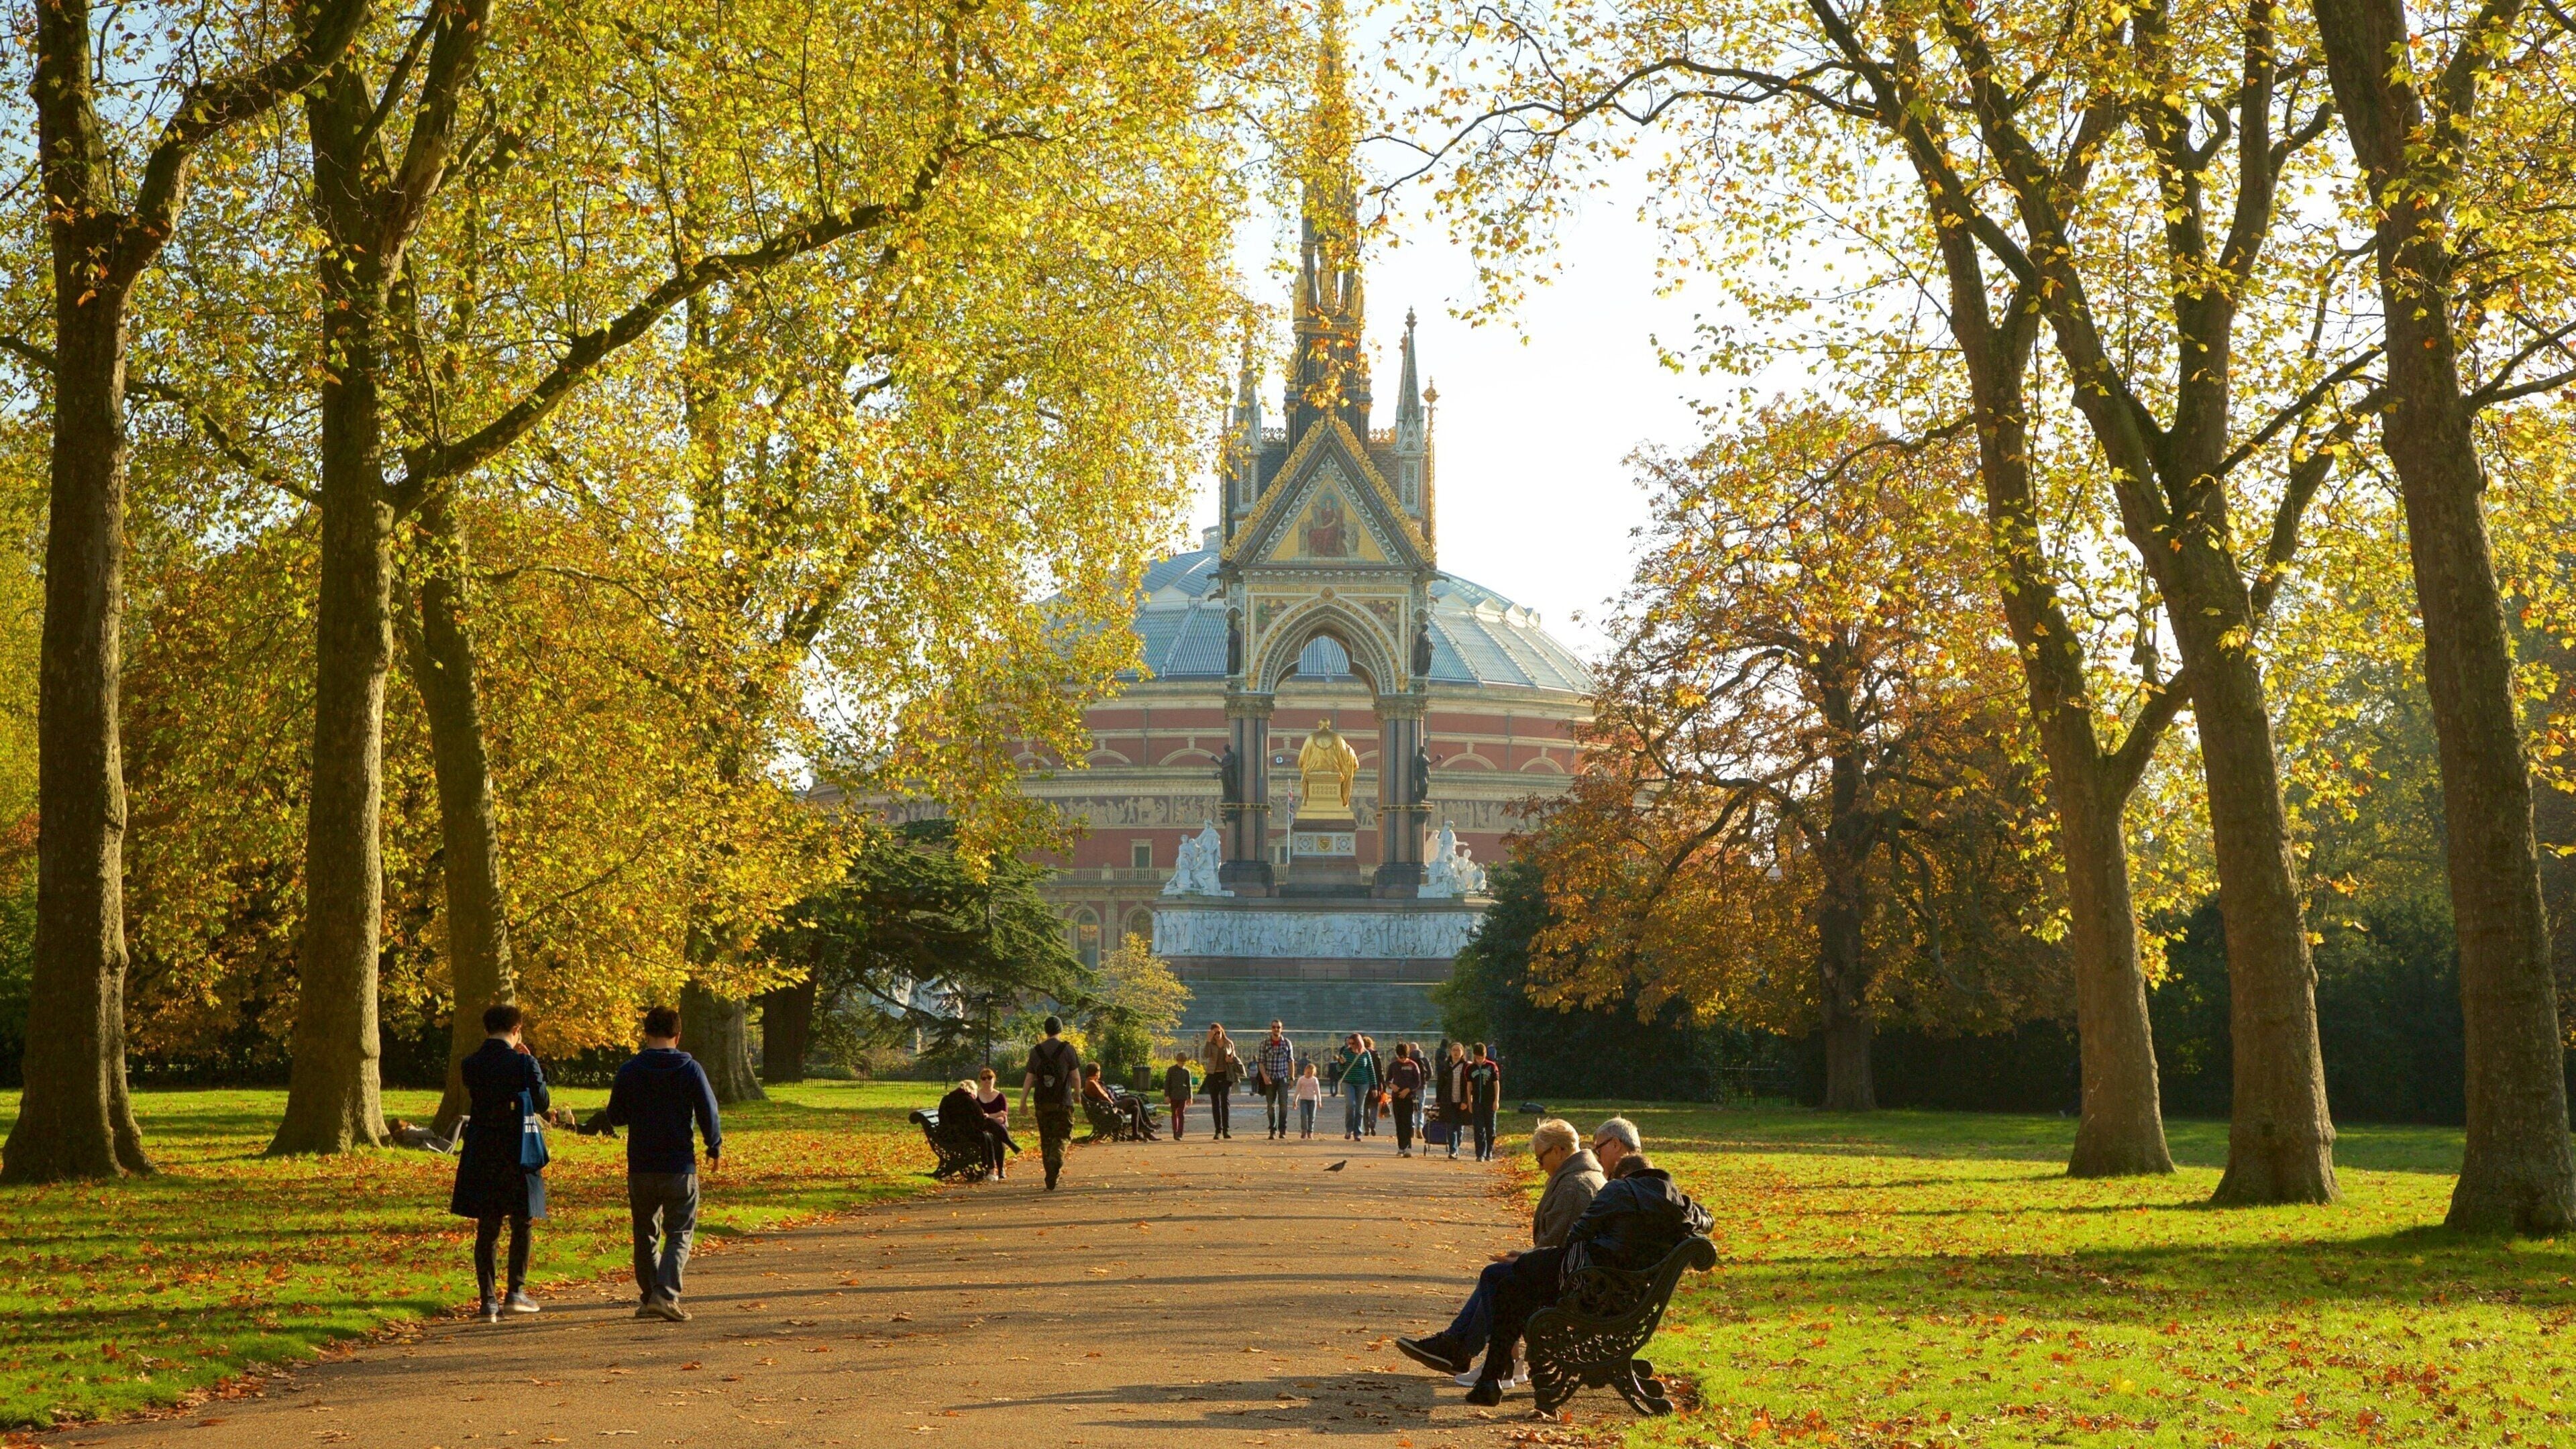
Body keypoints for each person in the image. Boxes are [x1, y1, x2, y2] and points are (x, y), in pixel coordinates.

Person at [1410, 1146, 1712, 1406]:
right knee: (1513, 1276)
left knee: (1508, 1282)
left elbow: (1577, 1235)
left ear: (1623, 1176)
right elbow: (1706, 1220)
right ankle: (1484, 1370)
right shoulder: (1683, 1206)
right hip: (1625, 1296)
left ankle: (1490, 1377)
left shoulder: (1619, 1190)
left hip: (1591, 1288)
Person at [1397, 1118, 1605, 1387]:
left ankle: (1473, 1353)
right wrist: (1524, 1257)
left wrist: (1525, 1260)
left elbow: (1557, 1249)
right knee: (1499, 1274)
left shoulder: (1574, 1187)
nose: (1539, 1166)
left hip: (1571, 1284)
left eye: (1540, 1159)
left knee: (1497, 1277)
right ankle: (1461, 1347)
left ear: (1558, 1151)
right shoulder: (1580, 1177)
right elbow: (1560, 1247)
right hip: (1579, 1275)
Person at [594, 1004, 723, 1322]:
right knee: (680, 1231)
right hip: (679, 1164)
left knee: (645, 1232)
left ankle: (650, 1294)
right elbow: (708, 1109)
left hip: (641, 1165)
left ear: (646, 1034)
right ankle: (665, 1294)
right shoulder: (690, 1069)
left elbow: (616, 1116)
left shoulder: (630, 1070)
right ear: (677, 1036)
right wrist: (714, 1145)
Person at [449, 1002, 549, 1324]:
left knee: (488, 1226)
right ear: (517, 1029)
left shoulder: (471, 1064)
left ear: (486, 1029)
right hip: (517, 1149)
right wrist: (530, 1062)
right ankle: (516, 1292)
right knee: (522, 1220)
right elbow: (543, 1102)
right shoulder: (522, 1064)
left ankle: (487, 1301)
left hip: (482, 1149)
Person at [1022, 1014, 1081, 1189]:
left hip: (1042, 1103)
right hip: (1062, 1102)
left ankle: (1050, 1175)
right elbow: (1076, 1077)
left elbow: (1029, 1078)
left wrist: (1023, 1101)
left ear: (1046, 1031)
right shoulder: (1068, 1050)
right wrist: (1077, 1094)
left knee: (1046, 1139)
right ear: (1060, 1030)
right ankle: (1057, 1158)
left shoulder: (1036, 1051)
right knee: (1063, 1136)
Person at [1254, 1020, 1297, 1140]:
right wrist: (1264, 1076)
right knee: (1270, 1106)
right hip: (1270, 1078)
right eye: (1274, 1027)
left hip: (1283, 1078)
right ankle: (1272, 1130)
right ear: (1271, 1029)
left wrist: (1292, 1077)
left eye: (1278, 1027)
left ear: (1282, 1029)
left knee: (1283, 1105)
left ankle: (1282, 1130)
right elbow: (1261, 1062)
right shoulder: (1264, 1043)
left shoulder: (1287, 1043)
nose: (1276, 1029)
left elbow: (1291, 1061)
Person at [975, 1067, 1020, 1178]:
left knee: (997, 1136)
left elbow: (1003, 1117)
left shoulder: (1000, 1097)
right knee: (992, 1133)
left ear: (994, 1079)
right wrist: (994, 1115)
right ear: (980, 1081)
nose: (987, 1081)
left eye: (990, 1078)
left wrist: (990, 1116)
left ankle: (1000, 1169)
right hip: (982, 1127)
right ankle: (1010, 1143)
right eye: (984, 1078)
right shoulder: (976, 1096)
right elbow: (978, 1116)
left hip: (998, 1127)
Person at [1200, 1024, 1240, 1140]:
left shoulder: (1229, 1043)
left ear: (1222, 1031)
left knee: (1225, 1101)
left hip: (1226, 1074)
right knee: (1215, 1103)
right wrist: (1208, 1041)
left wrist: (1231, 1060)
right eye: (1214, 1033)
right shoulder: (1211, 1044)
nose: (1217, 1035)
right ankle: (1218, 1130)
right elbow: (1206, 1055)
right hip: (1213, 1074)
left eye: (1219, 1032)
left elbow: (1235, 1058)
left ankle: (1226, 1130)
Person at [1385, 1042, 1427, 1157]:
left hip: (1409, 1097)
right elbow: (1387, 1080)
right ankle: (1401, 1147)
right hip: (1397, 1097)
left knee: (1408, 1122)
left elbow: (1418, 1082)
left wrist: (1408, 1090)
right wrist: (1391, 1086)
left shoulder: (1414, 1065)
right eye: (1400, 1057)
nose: (1402, 1059)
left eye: (1404, 1057)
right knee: (1399, 1122)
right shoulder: (1393, 1065)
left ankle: (1408, 1147)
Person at [1336, 1033, 1377, 1141]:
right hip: (1348, 1082)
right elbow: (1339, 1069)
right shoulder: (1346, 1052)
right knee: (1351, 1105)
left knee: (1359, 1108)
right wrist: (1340, 1063)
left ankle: (1357, 1132)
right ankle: (1348, 1130)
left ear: (1359, 1043)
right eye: (1349, 1043)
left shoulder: (1366, 1054)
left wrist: (1374, 1087)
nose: (1350, 1045)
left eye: (1353, 1043)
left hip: (1363, 1083)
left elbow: (1371, 1070)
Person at [1466, 1043, 1503, 1162]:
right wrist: (1470, 1103)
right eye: (1477, 1057)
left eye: (1481, 1057)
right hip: (1477, 1102)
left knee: (1491, 1128)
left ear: (1485, 1055)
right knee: (1478, 1128)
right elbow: (1469, 1087)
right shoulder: (1470, 1069)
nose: (1480, 1060)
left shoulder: (1492, 1067)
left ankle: (1489, 1152)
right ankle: (1480, 1153)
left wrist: (1496, 1100)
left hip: (1490, 1102)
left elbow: (1496, 1084)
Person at [1439, 1042, 1472, 1160]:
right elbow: (1440, 1084)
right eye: (1454, 1050)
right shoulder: (1446, 1066)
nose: (1456, 1052)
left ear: (1462, 1052)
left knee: (1460, 1127)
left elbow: (1470, 1086)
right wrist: (1439, 1100)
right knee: (1451, 1126)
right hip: (1449, 1101)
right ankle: (1453, 1151)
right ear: (1450, 1052)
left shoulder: (1467, 1066)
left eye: (1458, 1050)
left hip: (1461, 1101)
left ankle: (1456, 1145)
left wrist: (1465, 1101)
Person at [1164, 1053, 1195, 1139]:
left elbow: (1189, 1085)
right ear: (1177, 1061)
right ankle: (1175, 1131)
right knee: (1174, 1114)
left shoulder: (1186, 1071)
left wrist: (1190, 1097)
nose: (1181, 1065)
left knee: (1181, 1114)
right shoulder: (1171, 1070)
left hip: (1183, 1095)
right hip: (1173, 1095)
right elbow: (1167, 1083)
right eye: (1180, 1063)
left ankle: (1180, 1133)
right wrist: (1167, 1095)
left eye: (1183, 1063)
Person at [1360, 1036, 1386, 1136]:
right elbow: (1380, 1071)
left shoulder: (1361, 1054)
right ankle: (1373, 1124)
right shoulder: (1375, 1054)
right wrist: (1383, 1084)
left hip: (1364, 1082)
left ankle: (1366, 1127)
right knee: (1374, 1105)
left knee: (1365, 1106)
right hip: (1375, 1083)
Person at [1294, 1061, 1323, 1137]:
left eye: (1311, 1073)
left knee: (1312, 1116)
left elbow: (1318, 1091)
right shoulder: (1301, 1079)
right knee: (1303, 1115)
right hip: (1303, 1100)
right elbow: (1297, 1091)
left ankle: (1310, 1131)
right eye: (1308, 1072)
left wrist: (1319, 1101)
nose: (1309, 1074)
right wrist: (1295, 1101)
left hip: (1312, 1100)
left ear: (1314, 1073)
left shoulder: (1315, 1080)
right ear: (1305, 1071)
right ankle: (1304, 1130)